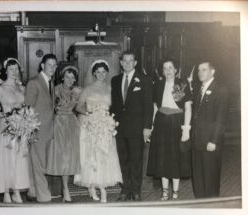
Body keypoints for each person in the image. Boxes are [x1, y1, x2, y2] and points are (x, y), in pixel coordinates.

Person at [74, 60, 122, 203]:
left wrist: (109, 120)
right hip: (90, 126)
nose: (101, 74)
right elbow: (78, 107)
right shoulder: (87, 89)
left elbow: (114, 107)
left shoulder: (110, 88)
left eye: (103, 72)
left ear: (106, 73)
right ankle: (94, 187)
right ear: (94, 73)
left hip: (105, 126)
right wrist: (90, 113)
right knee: (92, 157)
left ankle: (102, 188)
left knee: (104, 156)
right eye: (98, 72)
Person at [147, 58, 192, 200]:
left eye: (170, 68)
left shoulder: (183, 84)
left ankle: (176, 192)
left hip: (176, 123)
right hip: (161, 123)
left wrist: (186, 129)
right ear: (162, 71)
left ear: (176, 69)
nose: (168, 71)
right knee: (162, 157)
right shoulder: (159, 84)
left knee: (175, 157)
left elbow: (188, 108)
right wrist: (152, 126)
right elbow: (155, 107)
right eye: (165, 68)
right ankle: (165, 191)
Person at [110, 51, 153, 201]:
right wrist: (111, 121)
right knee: (123, 159)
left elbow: (148, 106)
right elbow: (115, 105)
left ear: (135, 63)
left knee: (136, 159)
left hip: (137, 128)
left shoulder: (145, 80)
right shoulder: (115, 80)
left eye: (131, 61)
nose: (127, 63)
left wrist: (147, 127)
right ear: (121, 63)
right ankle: (125, 189)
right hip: (120, 128)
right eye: (125, 61)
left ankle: (135, 190)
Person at [0, 58, 29, 203]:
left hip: (19, 128)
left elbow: (24, 107)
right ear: (5, 71)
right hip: (5, 128)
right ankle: (6, 190)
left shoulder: (21, 88)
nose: (14, 72)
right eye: (11, 69)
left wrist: (24, 120)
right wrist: (8, 115)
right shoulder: (0, 88)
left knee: (17, 159)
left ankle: (16, 190)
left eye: (16, 69)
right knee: (5, 159)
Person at [25, 54, 61, 202]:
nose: (53, 68)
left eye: (55, 65)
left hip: (48, 130)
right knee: (39, 162)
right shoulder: (34, 82)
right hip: (37, 129)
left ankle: (33, 192)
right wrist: (31, 129)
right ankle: (43, 195)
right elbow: (27, 107)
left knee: (40, 161)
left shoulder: (50, 82)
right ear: (42, 65)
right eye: (49, 65)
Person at [191, 60, 228, 198]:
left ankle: (211, 207)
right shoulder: (198, 89)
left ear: (212, 72)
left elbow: (221, 118)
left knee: (210, 177)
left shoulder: (220, 89)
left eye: (204, 69)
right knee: (198, 176)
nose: (200, 72)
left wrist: (214, 140)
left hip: (210, 142)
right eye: (199, 70)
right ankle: (200, 203)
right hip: (197, 141)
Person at [46, 66, 81, 202]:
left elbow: (77, 107)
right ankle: (65, 189)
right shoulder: (55, 89)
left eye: (73, 78)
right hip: (59, 123)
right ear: (62, 77)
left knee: (70, 156)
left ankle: (65, 188)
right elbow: (60, 107)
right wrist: (74, 97)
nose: (70, 80)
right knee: (61, 156)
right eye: (67, 77)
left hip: (72, 123)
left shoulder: (76, 90)